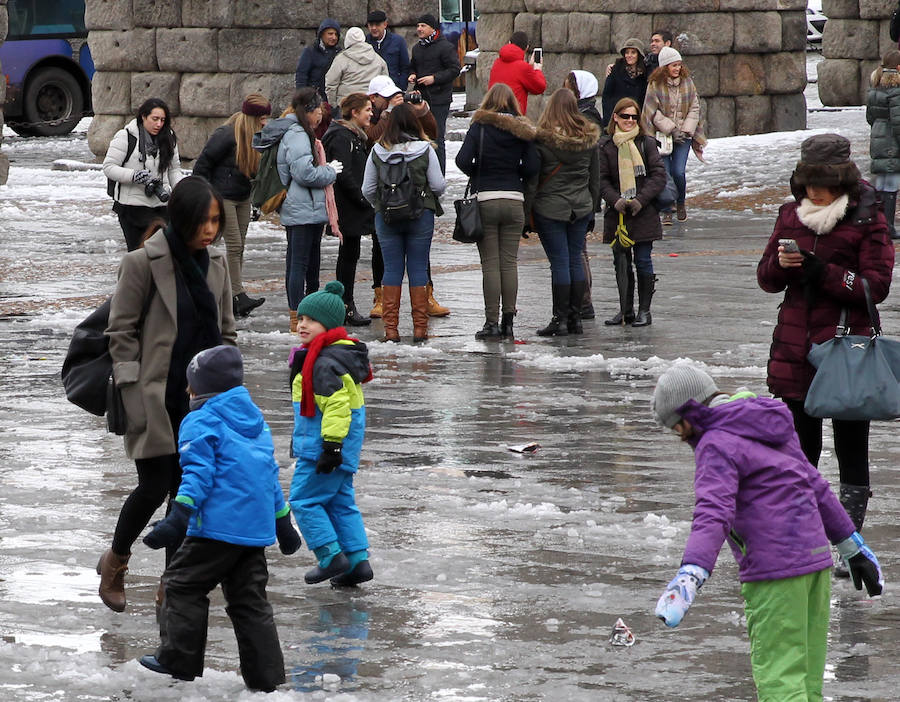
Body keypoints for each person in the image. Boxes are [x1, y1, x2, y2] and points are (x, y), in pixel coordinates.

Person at [650, 364, 883, 701]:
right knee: (806, 682)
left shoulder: (715, 442)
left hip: (774, 573)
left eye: (679, 428)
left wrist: (692, 572)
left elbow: (713, 510)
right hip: (815, 565)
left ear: (691, 412)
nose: (682, 438)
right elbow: (814, 484)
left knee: (780, 683)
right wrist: (851, 545)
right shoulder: (765, 424)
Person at [756, 134, 894, 572]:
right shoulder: (790, 215)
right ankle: (802, 540)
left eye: (822, 182)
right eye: (808, 181)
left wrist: (824, 272)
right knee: (799, 454)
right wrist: (781, 265)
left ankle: (850, 545)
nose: (813, 191)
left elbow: (875, 287)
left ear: (841, 181)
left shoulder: (867, 218)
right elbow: (766, 279)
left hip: (846, 351)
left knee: (851, 450)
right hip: (794, 351)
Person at [99, 176, 237, 613]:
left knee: (186, 493)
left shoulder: (217, 262)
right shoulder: (142, 262)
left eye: (215, 220)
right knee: (154, 486)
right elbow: (120, 331)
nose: (210, 229)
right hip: (154, 394)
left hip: (202, 402)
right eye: (202, 221)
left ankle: (172, 583)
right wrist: (131, 388)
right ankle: (116, 561)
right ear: (181, 217)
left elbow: (226, 331)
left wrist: (229, 390)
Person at [137, 345, 302, 691]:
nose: (187, 392)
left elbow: (197, 475)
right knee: (249, 601)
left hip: (216, 529)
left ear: (202, 388)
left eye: (191, 386)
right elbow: (268, 476)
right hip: (253, 533)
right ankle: (266, 678)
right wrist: (283, 523)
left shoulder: (200, 421)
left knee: (182, 584)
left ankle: (178, 658)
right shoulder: (256, 422)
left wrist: (178, 517)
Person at [288, 281, 375, 587]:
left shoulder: (323, 363)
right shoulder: (335, 356)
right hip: (340, 447)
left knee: (303, 500)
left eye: (311, 320)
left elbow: (338, 408)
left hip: (322, 448)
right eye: (301, 318)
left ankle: (329, 556)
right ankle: (357, 562)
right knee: (340, 503)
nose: (302, 325)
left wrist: (331, 447)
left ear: (329, 324)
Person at [455, 83, 538, 340]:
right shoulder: (522, 129)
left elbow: (461, 160)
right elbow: (532, 166)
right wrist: (514, 172)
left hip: (487, 199)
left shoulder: (480, 126)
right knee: (509, 262)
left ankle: (491, 323)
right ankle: (509, 323)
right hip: (514, 200)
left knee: (490, 264)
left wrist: (479, 171)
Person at [364, 76, 449, 319]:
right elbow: (439, 185)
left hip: (386, 215)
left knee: (391, 269)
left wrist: (380, 204)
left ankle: (391, 329)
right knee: (418, 267)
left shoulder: (378, 150)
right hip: (420, 212)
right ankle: (420, 327)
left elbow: (367, 189)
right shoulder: (425, 149)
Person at [528, 88, 601, 337]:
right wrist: (592, 209)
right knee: (575, 259)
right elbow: (594, 179)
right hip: (580, 207)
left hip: (550, 208)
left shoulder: (542, 140)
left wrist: (527, 212)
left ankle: (559, 319)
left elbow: (533, 180)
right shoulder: (589, 139)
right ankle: (575, 319)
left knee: (559, 262)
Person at [193, 93, 272, 319]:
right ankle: (236, 295)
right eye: (262, 118)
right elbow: (202, 165)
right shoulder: (227, 134)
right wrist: (204, 197)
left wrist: (257, 201)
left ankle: (231, 294)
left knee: (240, 246)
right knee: (234, 245)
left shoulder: (257, 137)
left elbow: (255, 173)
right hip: (222, 196)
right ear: (252, 118)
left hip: (243, 196)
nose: (265, 122)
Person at [277, 88, 344, 333]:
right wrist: (329, 171)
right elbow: (304, 173)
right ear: (308, 111)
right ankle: (298, 316)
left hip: (308, 208)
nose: (320, 117)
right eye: (318, 111)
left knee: (308, 263)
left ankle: (308, 313)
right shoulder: (297, 134)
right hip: (301, 208)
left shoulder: (300, 132)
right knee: (299, 264)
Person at [597, 97, 667, 327]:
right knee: (621, 262)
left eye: (634, 117)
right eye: (625, 116)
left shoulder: (647, 143)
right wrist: (615, 200)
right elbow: (601, 179)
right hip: (617, 215)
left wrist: (640, 200)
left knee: (643, 260)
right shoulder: (606, 146)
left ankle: (644, 311)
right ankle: (625, 310)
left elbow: (658, 176)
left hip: (643, 213)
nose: (629, 120)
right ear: (615, 117)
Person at [323, 93, 376, 326]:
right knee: (348, 256)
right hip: (348, 206)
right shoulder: (342, 136)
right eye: (367, 110)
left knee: (350, 254)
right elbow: (343, 172)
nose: (371, 114)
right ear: (354, 113)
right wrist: (362, 198)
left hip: (353, 204)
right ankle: (345, 305)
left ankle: (346, 304)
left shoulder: (353, 135)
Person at [103, 98, 183, 252]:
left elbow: (174, 169)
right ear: (143, 117)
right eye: (155, 119)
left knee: (163, 254)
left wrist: (181, 190)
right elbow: (109, 167)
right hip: (131, 207)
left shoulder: (169, 137)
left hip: (161, 205)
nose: (159, 124)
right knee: (138, 255)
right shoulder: (126, 136)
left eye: (162, 120)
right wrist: (134, 175)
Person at [641, 46, 705, 225]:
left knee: (678, 171)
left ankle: (680, 201)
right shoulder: (655, 85)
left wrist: (685, 130)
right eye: (673, 65)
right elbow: (652, 112)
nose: (677, 68)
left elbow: (694, 108)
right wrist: (671, 129)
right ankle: (666, 208)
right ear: (665, 67)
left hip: (684, 135)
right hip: (662, 136)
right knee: (664, 173)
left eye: (679, 65)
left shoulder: (687, 83)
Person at [563, 69, 602, 319]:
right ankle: (581, 302)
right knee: (579, 251)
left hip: (579, 196)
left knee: (578, 252)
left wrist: (593, 204)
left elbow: (592, 169)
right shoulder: (584, 115)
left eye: (569, 86)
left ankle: (584, 303)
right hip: (582, 197)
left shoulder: (585, 119)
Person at [408, 13, 461, 174]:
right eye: (418, 26)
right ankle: (423, 174)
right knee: (419, 136)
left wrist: (434, 78)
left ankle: (439, 176)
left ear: (433, 28)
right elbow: (413, 66)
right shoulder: (417, 48)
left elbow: (455, 69)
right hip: (421, 99)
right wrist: (412, 75)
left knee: (436, 137)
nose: (419, 29)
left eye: (423, 26)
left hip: (439, 99)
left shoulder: (445, 47)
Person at [866, 49, 900, 240]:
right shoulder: (896, 91)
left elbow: (870, 117)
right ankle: (887, 226)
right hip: (892, 141)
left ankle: (877, 225)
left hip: (878, 137)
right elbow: (898, 122)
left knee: (881, 183)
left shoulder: (875, 88)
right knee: (891, 183)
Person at [325, 27, 388, 110]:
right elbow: (385, 83)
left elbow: (331, 84)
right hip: (370, 105)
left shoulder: (341, 59)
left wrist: (334, 106)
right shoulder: (378, 59)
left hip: (346, 105)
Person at [487, 30, 546, 115]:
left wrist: (529, 67)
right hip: (513, 115)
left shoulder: (497, 62)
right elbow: (539, 87)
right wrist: (537, 69)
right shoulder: (523, 68)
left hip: (493, 113)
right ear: (526, 48)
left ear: (509, 42)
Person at [601, 39, 648, 127]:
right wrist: (609, 121)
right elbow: (607, 96)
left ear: (639, 54)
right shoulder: (615, 70)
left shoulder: (645, 74)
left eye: (633, 52)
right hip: (616, 119)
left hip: (634, 120)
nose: (629, 55)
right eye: (627, 52)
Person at [295, 18, 342, 98]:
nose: (334, 37)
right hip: (313, 97)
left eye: (336, 34)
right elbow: (301, 75)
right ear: (322, 34)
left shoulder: (339, 53)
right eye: (330, 34)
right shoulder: (310, 51)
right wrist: (302, 97)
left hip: (332, 97)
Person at [365, 10, 410, 90]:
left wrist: (401, 88)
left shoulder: (398, 41)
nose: (374, 28)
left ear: (385, 24)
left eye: (377, 25)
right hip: (371, 89)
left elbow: (405, 67)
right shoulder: (365, 42)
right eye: (371, 25)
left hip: (392, 88)